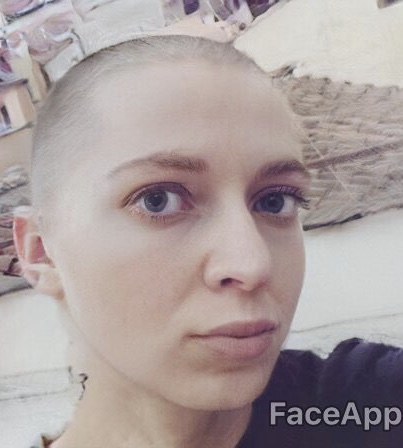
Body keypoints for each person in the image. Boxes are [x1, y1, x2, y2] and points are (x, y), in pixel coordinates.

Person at [14, 35, 403, 448]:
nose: (253, 264)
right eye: (158, 200)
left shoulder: (360, 409)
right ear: (41, 253)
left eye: (274, 200)